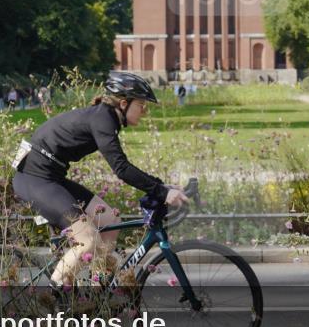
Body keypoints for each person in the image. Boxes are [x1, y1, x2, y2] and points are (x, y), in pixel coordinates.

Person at [12, 71, 188, 287]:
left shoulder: (104, 117)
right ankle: (52, 297)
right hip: (34, 180)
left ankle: (97, 293)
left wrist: (160, 186)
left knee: (111, 223)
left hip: (50, 178)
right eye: (141, 105)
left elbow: (123, 166)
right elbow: (121, 168)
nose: (144, 111)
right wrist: (162, 191)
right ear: (124, 103)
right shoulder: (102, 119)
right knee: (87, 241)